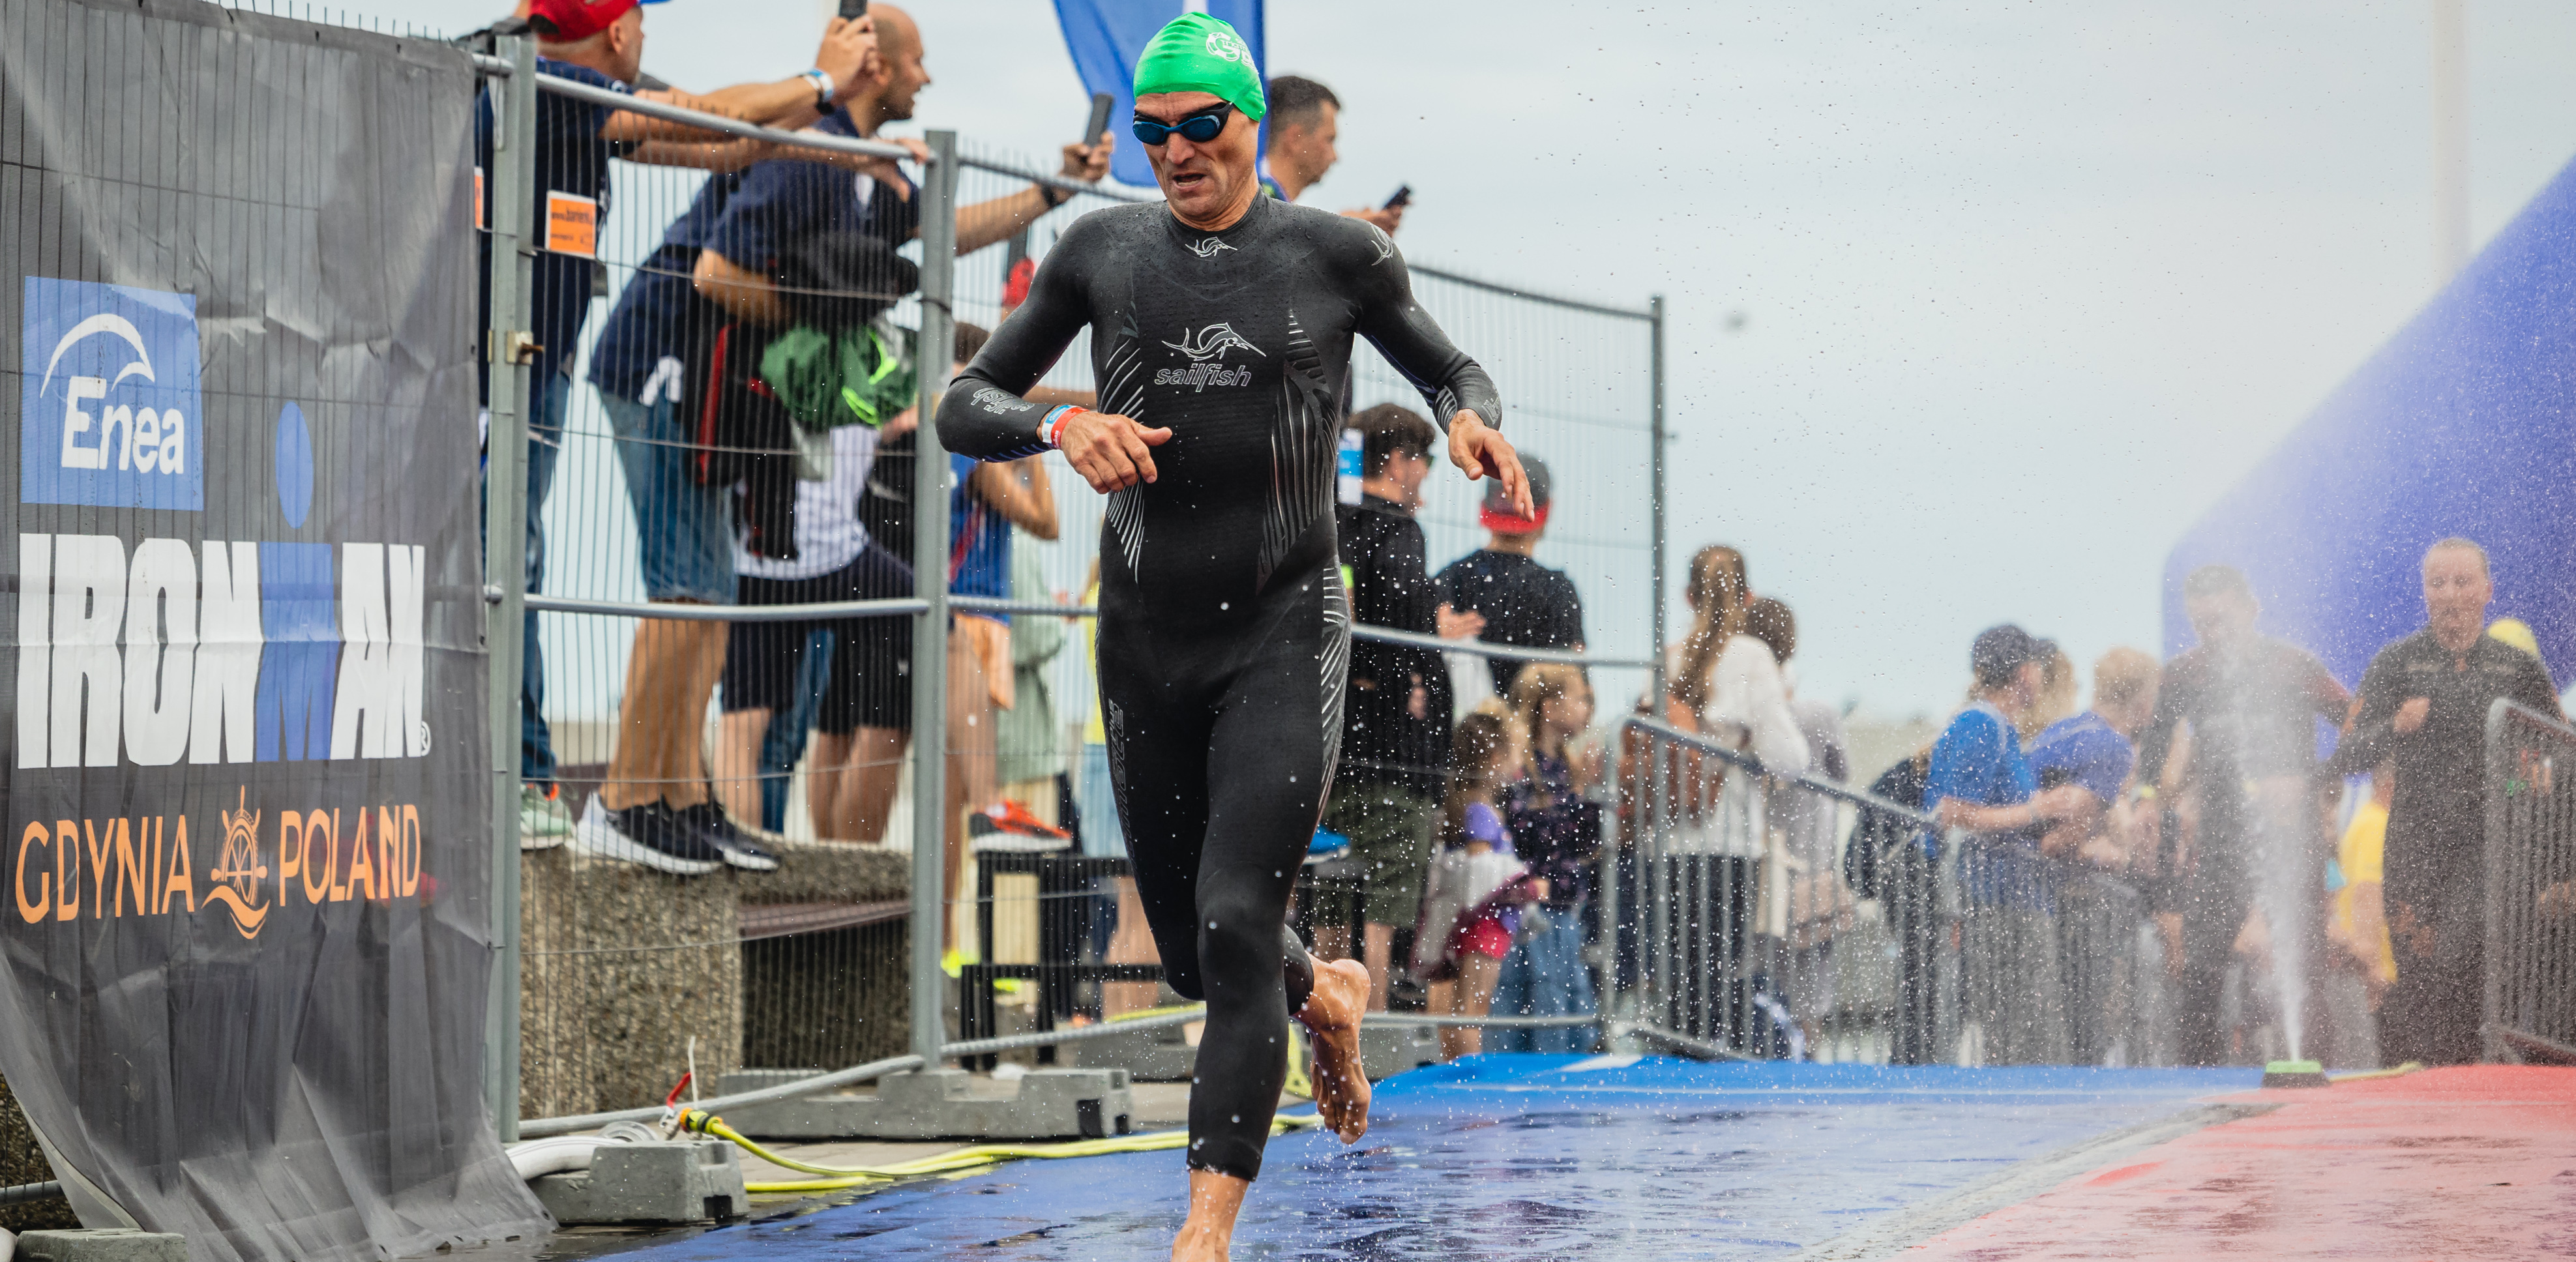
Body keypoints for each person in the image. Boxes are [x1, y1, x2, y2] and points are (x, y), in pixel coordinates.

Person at [931, 16, 1527, 1256]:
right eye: (1152, 133)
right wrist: (1057, 430)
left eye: (1200, 125)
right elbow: (959, 402)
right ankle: (1331, 992)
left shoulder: (1337, 254)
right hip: (1144, 638)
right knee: (1209, 949)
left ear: (1251, 121)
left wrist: (1469, 423)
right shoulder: (1102, 250)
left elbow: (1452, 369)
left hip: (1282, 626)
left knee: (1234, 915)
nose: (1174, 151)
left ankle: (1203, 1234)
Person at [574, 3, 1108, 868]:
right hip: (662, 369)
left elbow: (944, 238)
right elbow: (717, 276)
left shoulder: (864, 168)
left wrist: (1051, 193)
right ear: (878, 70)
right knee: (686, 591)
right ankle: (626, 800)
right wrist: (823, 311)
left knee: (706, 593)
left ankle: (674, 798)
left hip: (725, 395)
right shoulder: (809, 155)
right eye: (919, 62)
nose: (927, 77)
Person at [480, 0, 879, 849]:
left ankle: (662, 795)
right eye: (642, 27)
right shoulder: (548, 86)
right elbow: (713, 116)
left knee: (648, 581)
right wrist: (818, 81)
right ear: (619, 34)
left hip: (540, 365)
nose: (648, 40)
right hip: (510, 369)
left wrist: (830, 122)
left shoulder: (569, 99)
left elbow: (728, 140)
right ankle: (563, 787)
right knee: (525, 566)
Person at [2325, 538, 2561, 1065]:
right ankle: (2443, 1091)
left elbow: (2559, 749)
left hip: (2487, 840)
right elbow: (2345, 752)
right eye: (2437, 584)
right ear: (2424, 592)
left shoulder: (2514, 666)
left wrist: (2534, 779)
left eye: (2461, 583)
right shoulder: (2398, 662)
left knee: (2458, 961)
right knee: (2420, 976)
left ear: (2486, 591)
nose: (2449, 594)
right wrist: (2395, 725)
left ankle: (2462, 1082)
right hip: (2413, 840)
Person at [2133, 564, 2350, 1066]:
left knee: (2305, 970)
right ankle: (2196, 1090)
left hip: (2290, 845)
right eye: (2201, 624)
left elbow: (2359, 722)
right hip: (2219, 843)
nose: (2213, 634)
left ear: (2251, 611)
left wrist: (2315, 781)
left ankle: (2314, 1084)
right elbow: (2154, 743)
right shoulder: (2185, 674)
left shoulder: (2294, 666)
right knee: (2201, 971)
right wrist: (2145, 797)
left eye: (2222, 621)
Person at [1314, 404, 1456, 1010]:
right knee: (1384, 899)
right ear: (1397, 460)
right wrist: (1407, 686)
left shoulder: (1324, 523)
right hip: (1387, 751)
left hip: (1322, 735)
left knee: (1326, 887)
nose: (1423, 473)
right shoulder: (1397, 532)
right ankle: (1368, 1029)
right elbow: (1399, 624)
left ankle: (1319, 1017)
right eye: (1420, 460)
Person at [1920, 624, 2067, 1064]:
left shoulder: (1994, 725)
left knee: (2023, 1031)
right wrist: (2038, 811)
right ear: (2024, 673)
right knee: (2019, 1031)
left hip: (2009, 899)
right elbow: (1952, 812)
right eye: (2039, 669)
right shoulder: (1981, 722)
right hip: (1993, 901)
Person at [2026, 647, 2161, 1063]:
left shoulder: (2064, 729)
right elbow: (2058, 842)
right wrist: (2106, 856)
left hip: (2027, 894)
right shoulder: (2113, 748)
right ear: (2141, 701)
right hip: (2060, 904)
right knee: (2081, 1029)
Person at [1413, 711, 1541, 1061]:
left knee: (1464, 1004)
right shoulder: (1480, 811)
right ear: (1496, 759)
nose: (1519, 763)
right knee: (1473, 1006)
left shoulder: (1467, 807)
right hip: (1486, 925)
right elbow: (1481, 870)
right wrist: (1524, 886)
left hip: (1479, 922)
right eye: (1514, 754)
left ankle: (1458, 1068)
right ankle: (1466, 1074)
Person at [1491, 664, 1602, 1054]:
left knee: (1560, 1006)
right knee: (1531, 1009)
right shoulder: (1519, 768)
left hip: (1561, 908)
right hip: (1529, 914)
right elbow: (1526, 835)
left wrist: (1586, 792)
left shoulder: (1568, 767)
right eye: (1578, 698)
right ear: (1551, 708)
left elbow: (1582, 845)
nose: (1587, 707)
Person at [1436, 456, 1584, 699]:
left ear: (1484, 507)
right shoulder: (1557, 590)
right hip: (1532, 730)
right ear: (1548, 510)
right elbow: (1576, 685)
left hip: (1467, 731)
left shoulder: (1453, 578)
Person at [1258, 75, 1404, 233]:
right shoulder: (1258, 207)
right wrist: (1339, 232)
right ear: (1295, 138)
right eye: (1329, 140)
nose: (1335, 157)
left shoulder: (1258, 205)